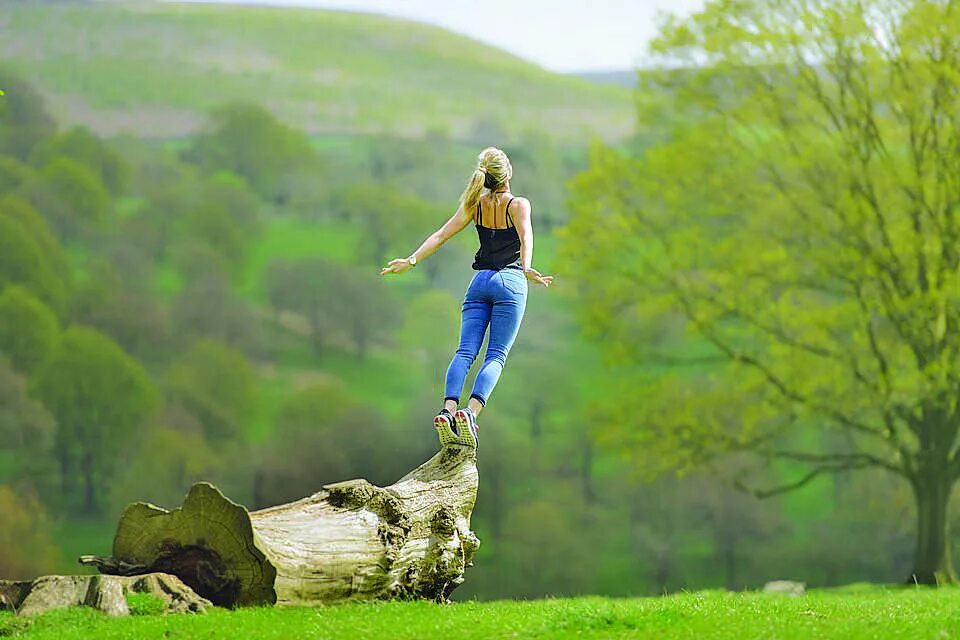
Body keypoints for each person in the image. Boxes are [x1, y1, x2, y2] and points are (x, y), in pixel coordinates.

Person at [380, 147, 553, 448]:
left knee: (464, 352)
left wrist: (411, 261)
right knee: (496, 355)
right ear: (508, 173)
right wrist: (526, 268)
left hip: (479, 283)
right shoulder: (518, 204)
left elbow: (441, 235)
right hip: (509, 282)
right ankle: (470, 414)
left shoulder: (476, 205)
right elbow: (526, 237)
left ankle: (447, 411)